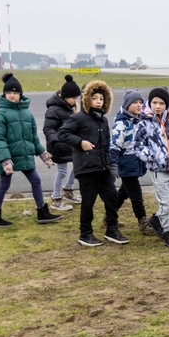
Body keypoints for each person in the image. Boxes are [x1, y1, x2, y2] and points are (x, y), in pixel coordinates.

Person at [57, 80, 127, 246]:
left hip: (103, 167)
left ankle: (112, 229)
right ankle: (85, 233)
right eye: (94, 98)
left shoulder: (103, 120)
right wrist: (80, 142)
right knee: (88, 202)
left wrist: (110, 165)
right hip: (87, 168)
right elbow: (62, 133)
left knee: (111, 198)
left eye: (101, 99)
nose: (98, 101)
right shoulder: (78, 118)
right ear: (86, 99)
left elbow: (107, 144)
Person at [0, 73, 62, 228]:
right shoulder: (1, 115)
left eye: (15, 93)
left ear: (20, 94)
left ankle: (42, 212)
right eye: (9, 93)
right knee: (4, 185)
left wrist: (43, 154)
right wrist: (5, 160)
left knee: (36, 180)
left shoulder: (27, 114)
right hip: (8, 158)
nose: (12, 96)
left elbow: (33, 137)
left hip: (25, 156)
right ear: (4, 94)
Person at [136, 87, 169, 249]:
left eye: (161, 103)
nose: (158, 106)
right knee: (165, 203)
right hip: (158, 171)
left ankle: (156, 219)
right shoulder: (144, 123)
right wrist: (152, 157)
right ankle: (168, 233)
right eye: (154, 102)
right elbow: (138, 145)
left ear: (166, 105)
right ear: (150, 103)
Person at [110, 89, 154, 236]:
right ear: (127, 104)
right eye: (135, 102)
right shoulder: (121, 124)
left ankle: (109, 216)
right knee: (136, 195)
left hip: (136, 164)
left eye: (141, 102)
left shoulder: (139, 121)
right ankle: (143, 222)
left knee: (123, 193)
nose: (138, 105)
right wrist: (114, 165)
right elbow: (114, 147)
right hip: (126, 165)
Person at [43, 74, 83, 211]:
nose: (75, 101)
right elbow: (48, 128)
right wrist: (55, 141)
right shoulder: (54, 110)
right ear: (65, 96)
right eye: (73, 98)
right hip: (59, 146)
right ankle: (56, 198)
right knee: (62, 171)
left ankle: (68, 189)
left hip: (69, 145)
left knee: (78, 166)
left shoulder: (68, 108)